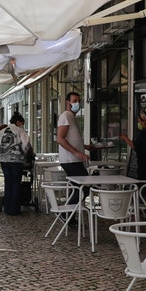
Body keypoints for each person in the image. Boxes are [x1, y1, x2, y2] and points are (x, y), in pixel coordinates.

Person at [57, 91, 94, 219]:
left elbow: (72, 139)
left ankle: (69, 216)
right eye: (75, 101)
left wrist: (85, 147)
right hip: (70, 160)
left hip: (75, 159)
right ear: (68, 103)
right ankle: (65, 213)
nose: (77, 103)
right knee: (84, 188)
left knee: (77, 188)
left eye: (79, 101)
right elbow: (60, 139)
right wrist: (78, 152)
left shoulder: (72, 117)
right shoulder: (65, 116)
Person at [0, 113, 31, 215]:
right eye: (22, 123)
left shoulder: (2, 131)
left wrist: (0, 158)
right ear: (18, 122)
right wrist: (24, 154)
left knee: (8, 183)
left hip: (4, 160)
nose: (22, 125)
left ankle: (7, 208)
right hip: (16, 160)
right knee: (16, 183)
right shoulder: (20, 130)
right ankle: (15, 209)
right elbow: (26, 144)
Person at [120, 110, 146, 181]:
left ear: (145, 121)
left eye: (139, 121)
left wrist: (124, 137)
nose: (139, 123)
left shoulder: (145, 133)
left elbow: (134, 145)